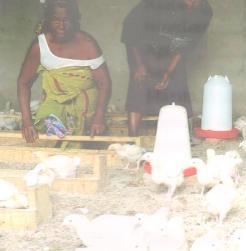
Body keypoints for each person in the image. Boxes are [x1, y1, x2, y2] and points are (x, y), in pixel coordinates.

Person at [17, 0, 111, 147]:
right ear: (48, 20)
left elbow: (104, 83)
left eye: (66, 20)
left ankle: (73, 141)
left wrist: (99, 117)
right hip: (54, 106)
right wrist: (27, 121)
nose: (61, 25)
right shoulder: (40, 46)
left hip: (85, 109)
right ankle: (66, 141)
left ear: (75, 20)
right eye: (56, 20)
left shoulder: (88, 44)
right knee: (50, 124)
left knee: (82, 135)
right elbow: (23, 82)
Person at [121, 0, 212, 136]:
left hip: (172, 48)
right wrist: (139, 65)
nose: (191, 4)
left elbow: (186, 44)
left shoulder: (204, 11)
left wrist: (169, 72)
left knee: (177, 82)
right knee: (140, 82)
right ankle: (132, 137)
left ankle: (180, 136)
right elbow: (131, 32)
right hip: (142, 46)